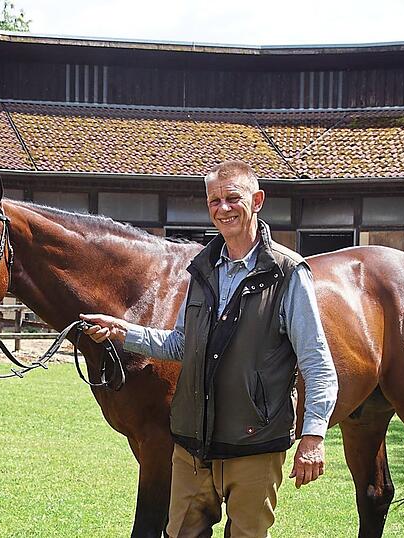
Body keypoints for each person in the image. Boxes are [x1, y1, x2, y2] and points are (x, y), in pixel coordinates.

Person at [82, 159, 338, 538]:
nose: (223, 208)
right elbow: (183, 344)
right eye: (214, 200)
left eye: (233, 198)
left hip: (254, 447)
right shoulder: (201, 269)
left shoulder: (288, 273)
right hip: (191, 449)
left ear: (257, 201)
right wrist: (124, 332)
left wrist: (314, 437)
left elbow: (317, 364)